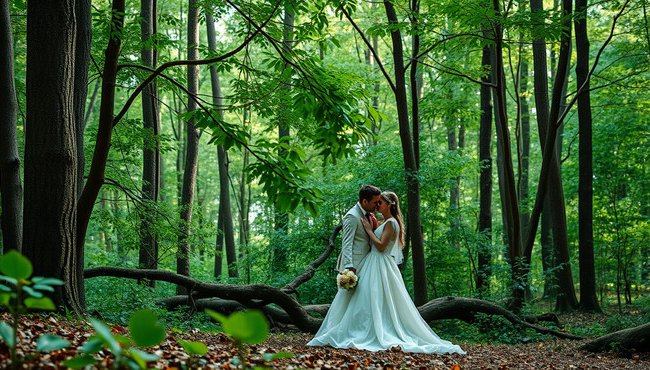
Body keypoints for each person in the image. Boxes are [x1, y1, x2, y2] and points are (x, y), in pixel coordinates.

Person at [308, 191, 465, 354]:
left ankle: (374, 330)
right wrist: (373, 228)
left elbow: (381, 246)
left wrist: (369, 230)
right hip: (373, 262)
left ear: (390, 204)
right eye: (376, 202)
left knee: (375, 298)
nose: (377, 205)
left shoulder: (391, 223)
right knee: (368, 299)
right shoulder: (383, 221)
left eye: (380, 203)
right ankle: (361, 327)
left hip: (380, 262)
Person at [335, 184, 381, 274]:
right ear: (365, 201)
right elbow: (347, 243)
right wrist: (348, 266)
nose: (377, 205)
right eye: (375, 202)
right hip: (353, 265)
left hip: (365, 263)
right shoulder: (352, 216)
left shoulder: (369, 215)